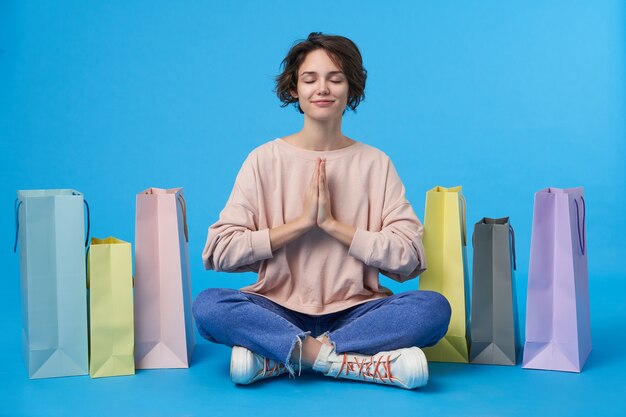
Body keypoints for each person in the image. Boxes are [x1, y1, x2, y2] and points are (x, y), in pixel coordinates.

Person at [193, 32, 451, 390]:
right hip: (277, 309)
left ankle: (282, 357)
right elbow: (218, 250)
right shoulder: (264, 160)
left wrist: (333, 225)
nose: (322, 89)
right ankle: (348, 363)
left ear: (351, 89)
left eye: (335, 78)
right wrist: (299, 225)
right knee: (208, 305)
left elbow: (409, 258)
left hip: (357, 313)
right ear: (294, 90)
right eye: (310, 79)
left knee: (433, 309)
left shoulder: (375, 164)